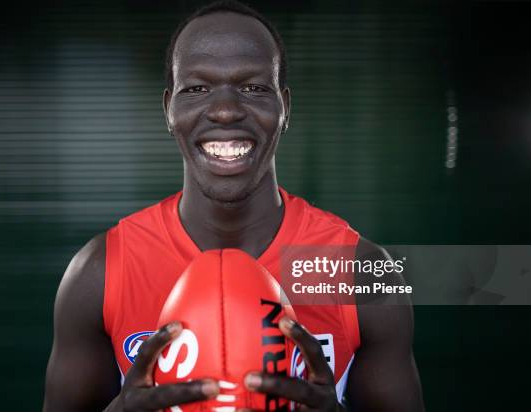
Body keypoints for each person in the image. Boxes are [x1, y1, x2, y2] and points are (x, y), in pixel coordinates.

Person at [43, 1, 424, 411]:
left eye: (254, 88)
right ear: (169, 110)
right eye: (197, 89)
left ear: (286, 108)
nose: (225, 110)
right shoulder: (101, 272)